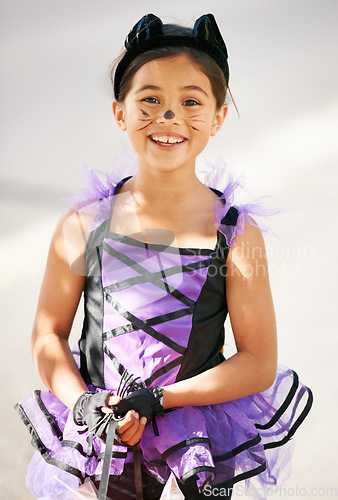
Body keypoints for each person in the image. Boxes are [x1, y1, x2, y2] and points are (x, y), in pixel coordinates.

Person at [15, 13, 313, 500]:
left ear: (217, 117)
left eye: (190, 102)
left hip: (195, 452)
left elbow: (258, 360)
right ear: (120, 112)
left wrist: (160, 399)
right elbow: (48, 334)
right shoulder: (83, 225)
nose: (169, 117)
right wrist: (85, 403)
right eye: (149, 99)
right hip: (102, 444)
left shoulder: (236, 234)